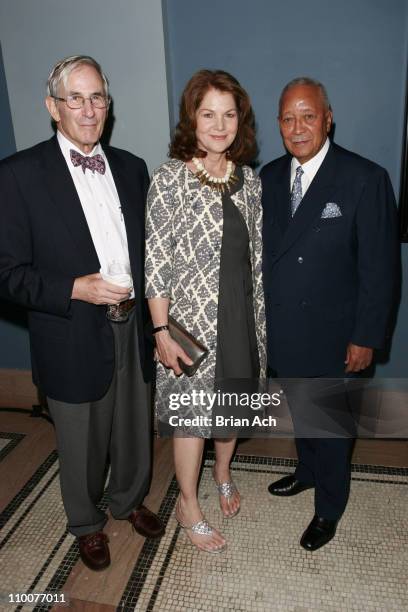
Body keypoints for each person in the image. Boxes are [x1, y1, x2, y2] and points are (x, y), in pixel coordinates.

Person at [0, 55, 164, 571]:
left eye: (98, 97)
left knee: (135, 427)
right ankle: (86, 524)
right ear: (53, 107)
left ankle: (128, 499)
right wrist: (73, 287)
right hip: (70, 329)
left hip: (133, 323)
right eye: (76, 98)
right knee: (82, 440)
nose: (89, 109)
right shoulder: (18, 175)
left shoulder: (134, 167)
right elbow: (6, 272)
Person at [260, 77, 398, 551]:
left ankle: (330, 507)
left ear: (328, 118)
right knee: (301, 415)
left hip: (337, 334)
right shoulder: (269, 177)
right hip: (284, 330)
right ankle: (306, 472)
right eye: (287, 118)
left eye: (308, 116)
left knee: (332, 428)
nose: (297, 127)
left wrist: (366, 337)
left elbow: (381, 271)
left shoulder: (365, 178)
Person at [145, 70, 266, 553]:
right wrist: (160, 329)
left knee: (231, 409)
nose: (219, 125)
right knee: (191, 416)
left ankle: (223, 473)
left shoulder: (250, 182)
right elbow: (157, 260)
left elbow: (254, 259)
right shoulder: (169, 178)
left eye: (229, 114)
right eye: (208, 113)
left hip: (243, 317)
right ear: (191, 119)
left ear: (241, 120)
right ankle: (187, 503)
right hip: (190, 323)